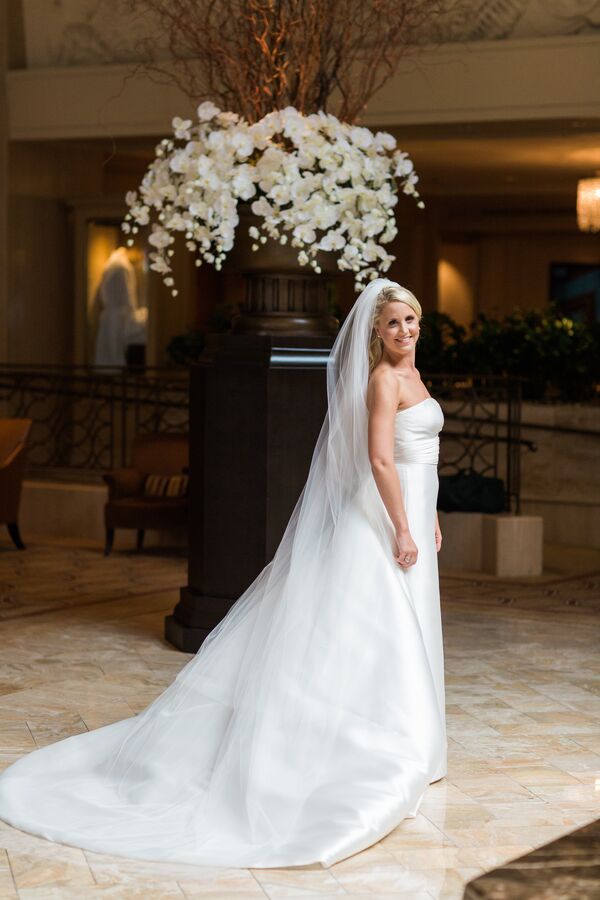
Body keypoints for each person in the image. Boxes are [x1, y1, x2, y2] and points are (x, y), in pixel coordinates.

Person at [0, 278, 446, 868]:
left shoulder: (417, 376)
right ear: (375, 331)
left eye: (411, 321)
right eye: (393, 323)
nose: (405, 331)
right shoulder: (384, 380)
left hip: (415, 506)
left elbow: (423, 460)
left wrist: (430, 515)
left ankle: (410, 737)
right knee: (374, 629)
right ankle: (372, 743)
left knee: (406, 626)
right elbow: (381, 458)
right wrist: (403, 527)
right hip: (389, 516)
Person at [93, 247, 148, 367]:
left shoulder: (113, 264)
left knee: (110, 350)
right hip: (118, 315)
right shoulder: (122, 267)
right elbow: (127, 294)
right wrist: (132, 313)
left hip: (112, 315)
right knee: (114, 351)